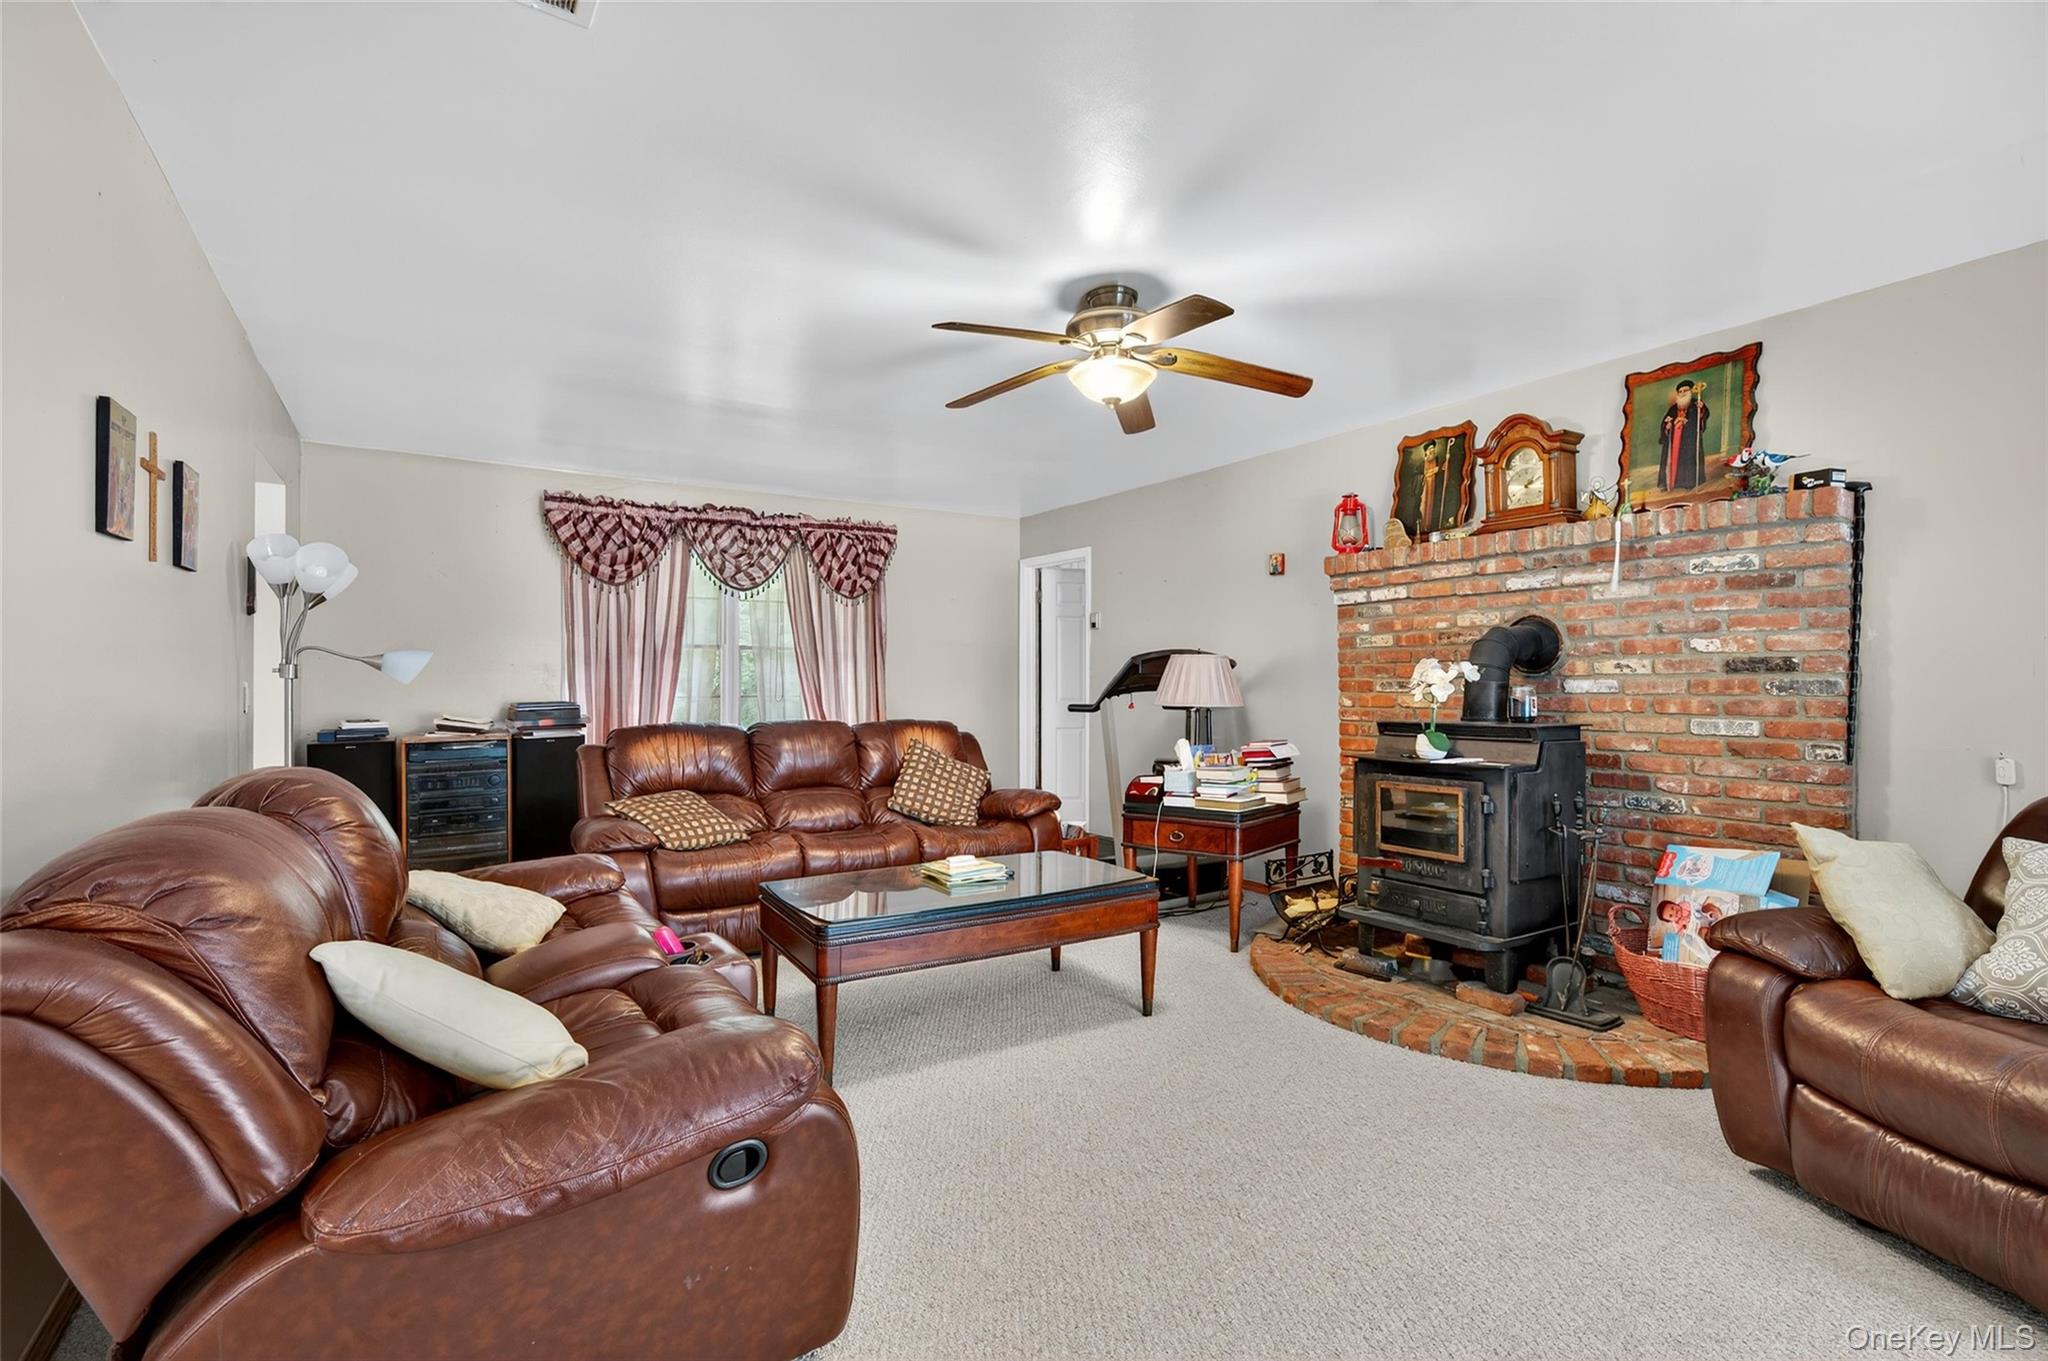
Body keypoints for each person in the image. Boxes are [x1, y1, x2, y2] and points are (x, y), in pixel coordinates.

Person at [1659, 379, 1711, 490]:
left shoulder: (1695, 404)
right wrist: (1668, 425)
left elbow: (1702, 418)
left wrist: (1701, 410)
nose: (1682, 393)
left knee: (1688, 459)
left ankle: (1689, 483)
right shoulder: (1673, 408)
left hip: (1689, 440)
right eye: (1680, 391)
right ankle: (1669, 484)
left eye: (1685, 390)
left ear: (1690, 392)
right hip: (1674, 442)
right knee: (1671, 461)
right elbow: (1665, 423)